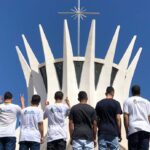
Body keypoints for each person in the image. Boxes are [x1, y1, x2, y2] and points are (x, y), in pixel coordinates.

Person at [123, 85, 150, 150]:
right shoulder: (147, 102)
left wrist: (127, 131)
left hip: (133, 129)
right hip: (145, 129)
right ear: (140, 92)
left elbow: (125, 117)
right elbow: (149, 118)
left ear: (132, 92)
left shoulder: (127, 101)